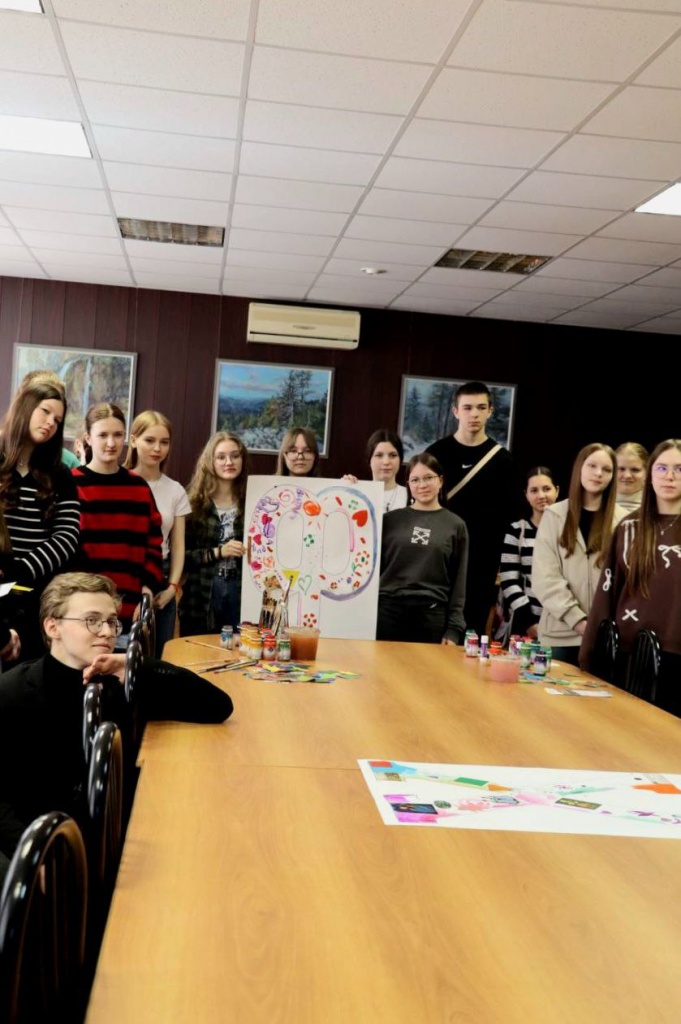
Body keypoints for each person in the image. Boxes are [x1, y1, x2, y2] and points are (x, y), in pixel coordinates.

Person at [0, 572, 233, 888]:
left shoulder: (120, 685)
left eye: (112, 622)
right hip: (47, 854)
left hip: (121, 851)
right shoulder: (12, 692)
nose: (107, 632)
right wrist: (29, 855)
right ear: (52, 627)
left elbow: (217, 706)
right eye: (92, 620)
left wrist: (135, 665)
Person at [580, 440, 681, 715]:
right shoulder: (628, 528)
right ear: (651, 475)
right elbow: (605, 595)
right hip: (629, 656)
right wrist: (588, 655)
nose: (670, 476)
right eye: (662, 468)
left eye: (679, 469)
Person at [0, 375, 80, 659]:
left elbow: (67, 537)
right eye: (45, 411)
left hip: (38, 593)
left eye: (57, 420)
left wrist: (21, 570)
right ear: (25, 407)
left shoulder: (60, 474)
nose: (50, 423)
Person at [426, 381, 515, 636]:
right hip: (440, 555)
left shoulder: (502, 460)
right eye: (467, 408)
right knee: (433, 628)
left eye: (480, 407)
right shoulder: (436, 454)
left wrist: (499, 562)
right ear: (456, 411)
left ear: (490, 411)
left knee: (472, 632)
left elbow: (507, 516)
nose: (474, 414)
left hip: (482, 559)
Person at [72, 403, 164, 636]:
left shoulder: (139, 487)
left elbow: (154, 545)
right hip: (80, 611)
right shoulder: (70, 484)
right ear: (88, 438)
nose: (111, 443)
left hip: (130, 613)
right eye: (103, 435)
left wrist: (148, 590)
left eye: (117, 435)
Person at [532, 443, 626, 665]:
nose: (598, 473)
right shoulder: (554, 515)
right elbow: (545, 578)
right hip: (559, 635)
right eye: (592, 466)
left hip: (605, 637)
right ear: (579, 468)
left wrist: (601, 627)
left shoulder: (623, 520)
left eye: (606, 469)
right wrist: (578, 621)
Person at [377, 452, 468, 645]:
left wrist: (454, 628)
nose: (422, 485)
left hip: (431, 617)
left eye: (428, 478)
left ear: (440, 481)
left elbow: (459, 581)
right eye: (415, 480)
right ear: (408, 484)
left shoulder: (455, 525)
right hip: (386, 614)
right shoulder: (390, 520)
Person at [124, 411, 191, 656]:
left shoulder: (175, 490)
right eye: (150, 440)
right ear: (133, 440)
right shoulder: (120, 480)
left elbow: (178, 545)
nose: (157, 449)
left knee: (160, 655)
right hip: (124, 573)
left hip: (161, 575)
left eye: (164, 442)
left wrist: (172, 587)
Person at [181, 432, 249, 637]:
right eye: (221, 457)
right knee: (198, 650)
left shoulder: (253, 501)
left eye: (235, 456)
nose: (229, 462)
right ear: (210, 461)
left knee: (239, 649)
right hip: (201, 594)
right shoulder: (193, 504)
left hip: (242, 590)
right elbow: (181, 557)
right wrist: (219, 552)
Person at [499, 466, 559, 639]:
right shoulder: (516, 531)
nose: (541, 495)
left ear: (557, 490)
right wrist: (530, 623)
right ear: (526, 494)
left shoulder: (569, 531)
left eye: (546, 489)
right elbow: (509, 580)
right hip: (526, 624)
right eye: (534, 490)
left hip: (562, 623)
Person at [342, 428, 409, 514]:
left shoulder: (411, 495)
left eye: (392, 455)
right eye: (379, 455)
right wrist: (342, 491)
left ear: (400, 459)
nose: (386, 462)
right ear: (369, 460)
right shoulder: (357, 493)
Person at [615, 442, 648, 512]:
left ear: (647, 473)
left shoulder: (659, 506)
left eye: (635, 470)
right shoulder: (598, 503)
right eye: (621, 469)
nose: (627, 475)